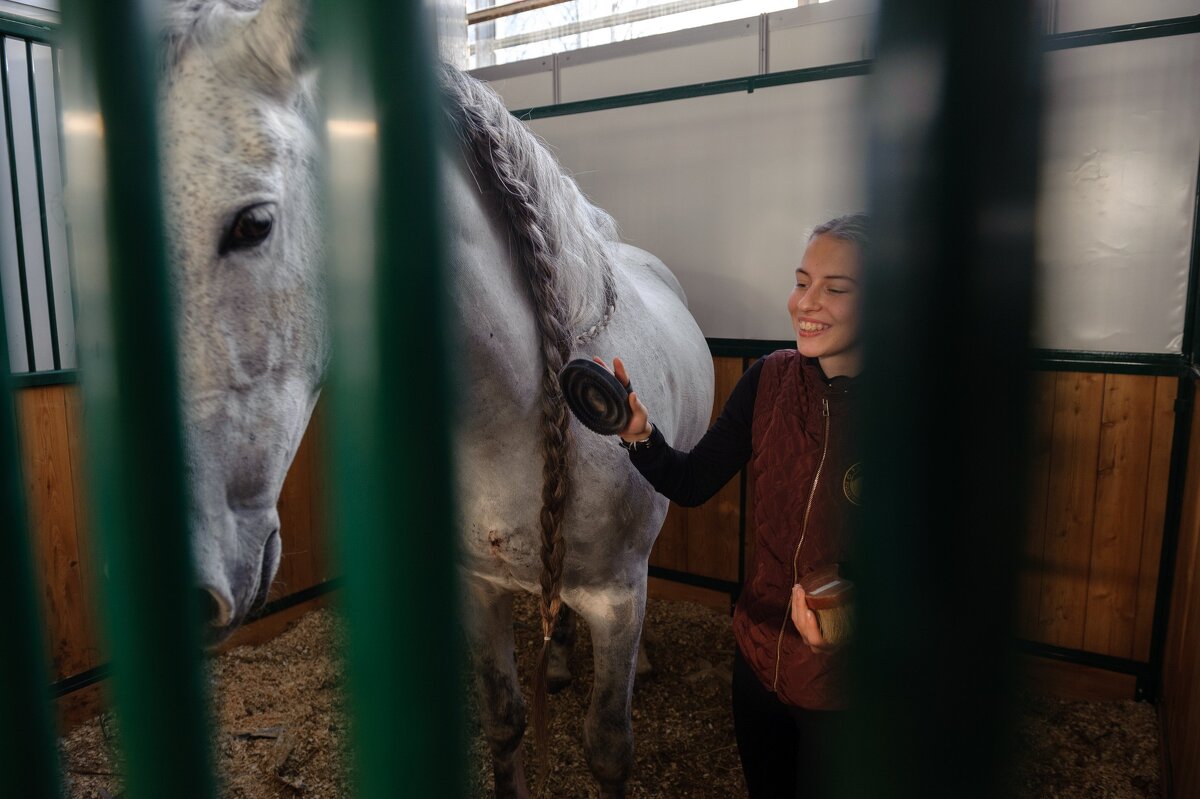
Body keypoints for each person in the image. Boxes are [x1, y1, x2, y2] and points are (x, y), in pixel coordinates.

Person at [598, 213, 866, 799]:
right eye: (801, 281)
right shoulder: (768, 380)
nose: (806, 302)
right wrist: (638, 433)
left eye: (836, 288)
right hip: (758, 661)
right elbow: (692, 482)